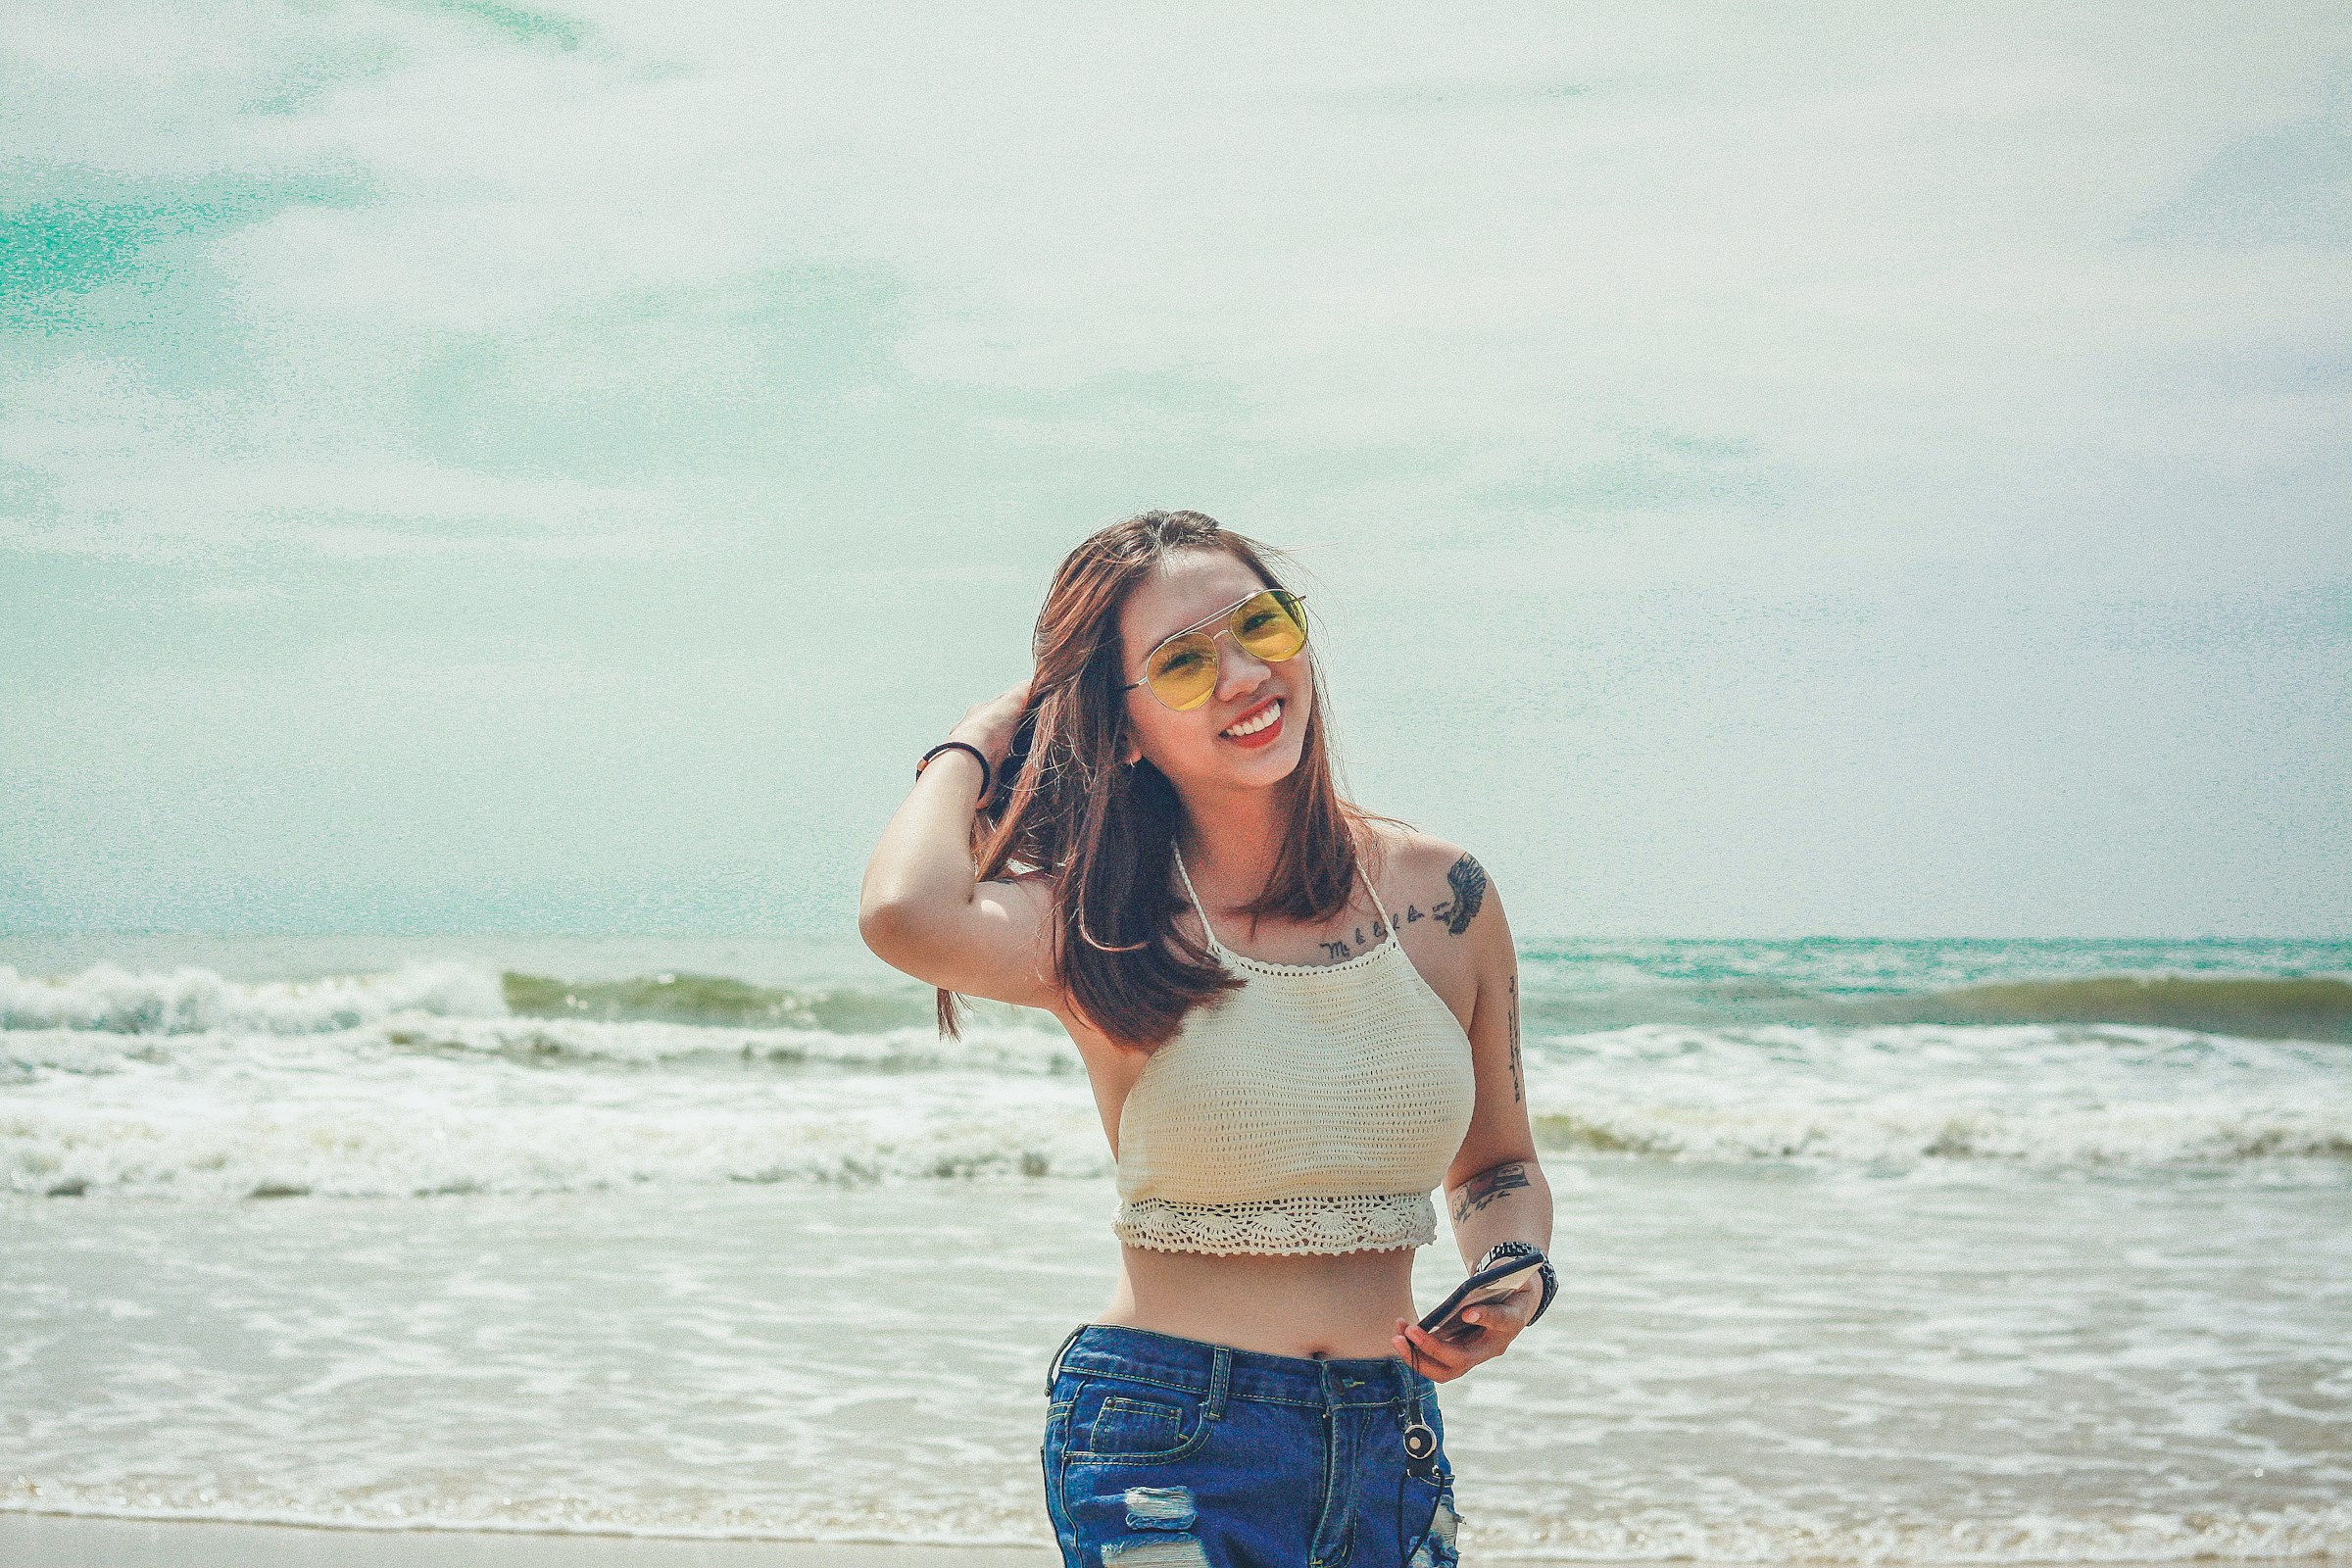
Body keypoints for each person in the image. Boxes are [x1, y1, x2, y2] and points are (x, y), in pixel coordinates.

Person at [858, 510, 1554, 1568]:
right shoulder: (1097, 916)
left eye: (1260, 626)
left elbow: (1500, 1162)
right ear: (1124, 726)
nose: (1241, 674)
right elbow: (902, 912)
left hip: (1388, 1438)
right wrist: (979, 734)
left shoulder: (1443, 895)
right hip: (1165, 1431)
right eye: (1183, 663)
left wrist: (1516, 1268)